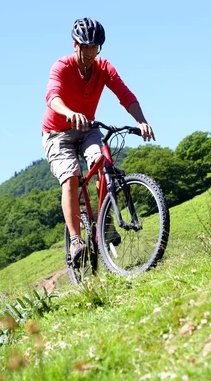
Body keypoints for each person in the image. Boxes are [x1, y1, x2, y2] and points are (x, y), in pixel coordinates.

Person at [41, 17, 155, 264]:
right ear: (75, 45)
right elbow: (52, 96)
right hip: (57, 132)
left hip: (87, 128)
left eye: (95, 47)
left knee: (104, 162)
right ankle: (75, 241)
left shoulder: (104, 68)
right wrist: (68, 112)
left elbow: (125, 95)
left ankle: (106, 223)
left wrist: (141, 120)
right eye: (86, 46)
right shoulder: (61, 66)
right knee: (71, 177)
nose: (91, 52)